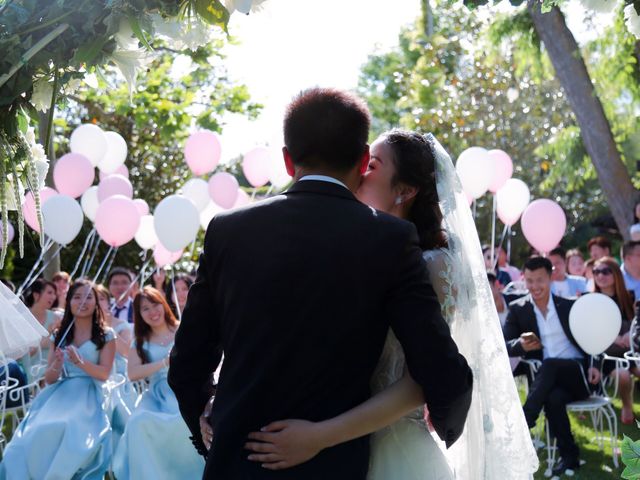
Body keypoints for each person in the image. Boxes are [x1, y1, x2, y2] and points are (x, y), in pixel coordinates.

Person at [169, 88, 473, 480]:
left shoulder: (227, 230)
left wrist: (206, 414)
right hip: (337, 466)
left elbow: (187, 362)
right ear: (363, 160)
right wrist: (448, 413)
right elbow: (439, 365)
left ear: (286, 158)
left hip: (238, 461)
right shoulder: (390, 239)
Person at [241, 130, 537, 479]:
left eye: (373, 164)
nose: (359, 168)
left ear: (405, 190)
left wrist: (318, 437)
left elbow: (420, 382)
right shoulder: (356, 249)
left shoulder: (432, 264)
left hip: (392, 451)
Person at [0, 280, 116, 480]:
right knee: (34, 433)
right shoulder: (59, 334)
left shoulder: (106, 335)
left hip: (88, 393)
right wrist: (57, 365)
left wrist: (80, 363)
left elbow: (104, 374)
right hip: (60, 392)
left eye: (89, 297)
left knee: (66, 425)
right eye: (77, 297)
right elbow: (49, 378)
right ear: (69, 301)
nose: (83, 301)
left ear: (96, 303)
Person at [503, 256, 602, 475]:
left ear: (550, 278)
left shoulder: (569, 306)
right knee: (553, 399)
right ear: (523, 280)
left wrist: (595, 365)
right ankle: (570, 457)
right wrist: (520, 344)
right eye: (529, 281)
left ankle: (524, 421)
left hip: (577, 373)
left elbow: (593, 338)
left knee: (550, 365)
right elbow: (506, 344)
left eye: (540, 280)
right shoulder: (518, 309)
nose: (534, 287)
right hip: (549, 383)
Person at [113, 287, 204, 479]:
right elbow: (133, 373)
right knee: (138, 422)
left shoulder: (183, 328)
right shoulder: (139, 341)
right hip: (157, 394)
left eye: (155, 305)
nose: (152, 312)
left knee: (184, 420)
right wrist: (163, 363)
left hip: (184, 389)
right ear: (139, 314)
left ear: (163, 305)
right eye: (145, 309)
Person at [592, 257, 635, 424]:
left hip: (630, 350)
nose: (600, 275)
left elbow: (635, 323)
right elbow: (590, 331)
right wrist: (613, 337)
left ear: (616, 274)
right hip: (606, 355)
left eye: (605, 271)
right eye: (596, 272)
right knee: (623, 375)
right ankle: (627, 406)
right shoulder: (590, 300)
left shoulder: (628, 297)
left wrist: (628, 335)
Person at [96, 284, 135, 451]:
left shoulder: (121, 325)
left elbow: (127, 351)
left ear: (108, 301)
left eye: (101, 298)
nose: (98, 302)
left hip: (119, 379)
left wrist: (107, 328)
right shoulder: (84, 326)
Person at [19, 279, 62, 382]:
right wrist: (44, 340)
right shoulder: (21, 318)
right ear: (36, 295)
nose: (53, 297)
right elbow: (19, 353)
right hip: (25, 369)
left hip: (47, 370)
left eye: (54, 294)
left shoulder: (56, 319)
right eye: (49, 292)